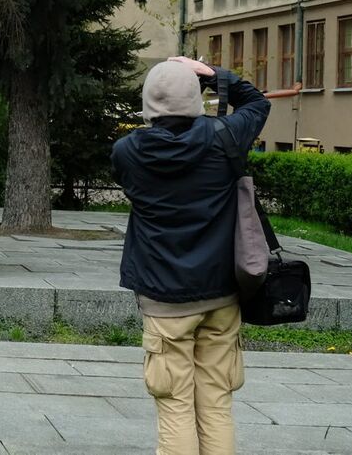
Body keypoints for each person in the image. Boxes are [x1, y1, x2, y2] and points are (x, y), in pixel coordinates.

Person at [112, 56, 270, 455]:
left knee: (174, 403)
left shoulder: (127, 152)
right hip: (221, 292)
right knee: (216, 402)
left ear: (148, 103)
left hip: (164, 298)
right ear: (196, 98)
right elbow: (258, 104)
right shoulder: (225, 138)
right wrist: (216, 76)